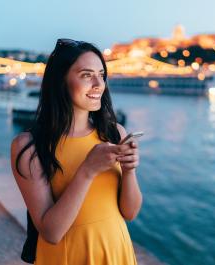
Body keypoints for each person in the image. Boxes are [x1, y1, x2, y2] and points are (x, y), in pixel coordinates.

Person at [10, 39, 142, 265]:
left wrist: (129, 171)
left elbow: (129, 213)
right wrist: (87, 171)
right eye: (86, 75)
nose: (98, 84)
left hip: (116, 251)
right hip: (66, 256)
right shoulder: (29, 146)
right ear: (61, 81)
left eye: (101, 74)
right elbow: (51, 232)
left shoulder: (115, 132)